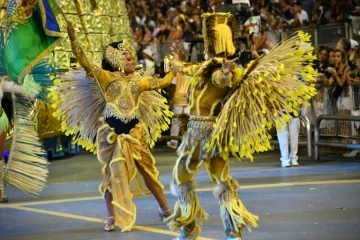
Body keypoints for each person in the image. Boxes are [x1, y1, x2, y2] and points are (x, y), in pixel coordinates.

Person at [164, 12, 317, 240]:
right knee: (221, 180)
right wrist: (177, 59)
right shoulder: (207, 66)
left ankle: (189, 228)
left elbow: (220, 80)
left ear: (212, 42)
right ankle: (232, 231)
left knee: (181, 177)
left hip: (199, 134)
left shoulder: (221, 69)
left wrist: (224, 74)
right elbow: (188, 69)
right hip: (212, 134)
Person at [61, 21, 175, 232]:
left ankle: (166, 208)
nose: (133, 61)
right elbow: (84, 61)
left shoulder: (139, 82)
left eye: (132, 57)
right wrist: (73, 38)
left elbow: (164, 82)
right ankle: (111, 215)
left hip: (134, 133)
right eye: (128, 57)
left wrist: (174, 66)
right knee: (111, 174)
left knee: (149, 172)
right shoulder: (105, 78)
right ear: (116, 60)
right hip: (111, 136)